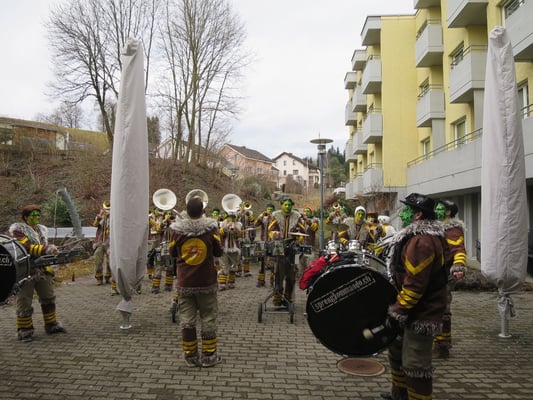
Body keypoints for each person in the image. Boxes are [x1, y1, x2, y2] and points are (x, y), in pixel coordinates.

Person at [380, 193, 447, 400]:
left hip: (422, 313)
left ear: (418, 215)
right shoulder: (416, 237)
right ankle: (399, 395)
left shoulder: (422, 242)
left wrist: (398, 311)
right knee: (397, 353)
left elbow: (415, 285)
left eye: (407, 209)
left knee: (416, 365)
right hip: (410, 310)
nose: (403, 213)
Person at [168, 196, 224, 368]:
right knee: (208, 318)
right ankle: (209, 356)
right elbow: (219, 252)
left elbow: (172, 253)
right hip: (206, 281)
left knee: (187, 320)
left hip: (185, 282)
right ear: (203, 211)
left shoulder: (177, 231)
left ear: (186, 211)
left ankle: (191, 356)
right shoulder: (211, 229)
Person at [8, 204, 67, 342]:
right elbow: (26, 247)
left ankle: (51, 325)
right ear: (25, 217)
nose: (37, 217)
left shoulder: (41, 230)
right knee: (24, 300)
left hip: (42, 269)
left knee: (48, 297)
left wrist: (52, 252)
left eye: (38, 215)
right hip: (25, 270)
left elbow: (43, 246)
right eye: (33, 215)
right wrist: (46, 249)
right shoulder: (18, 231)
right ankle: (24, 330)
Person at [433, 199, 467, 358]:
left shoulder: (452, 229)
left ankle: (442, 346)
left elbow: (459, 249)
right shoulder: (436, 227)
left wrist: (459, 266)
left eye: (440, 208)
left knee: (443, 310)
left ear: (448, 212)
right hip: (434, 275)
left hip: (443, 276)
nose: (436, 210)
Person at [268, 196, 305, 306]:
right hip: (279, 246)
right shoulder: (276, 215)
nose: (288, 207)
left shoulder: (297, 216)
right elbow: (270, 229)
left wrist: (300, 237)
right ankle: (277, 297)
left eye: (289, 205)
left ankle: (288, 298)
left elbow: (303, 230)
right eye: (285, 204)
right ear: (281, 205)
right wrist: (274, 234)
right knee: (278, 273)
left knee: (292, 274)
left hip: (294, 249)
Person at [218, 212, 243, 290]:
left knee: (233, 266)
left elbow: (240, 236)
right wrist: (226, 227)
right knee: (224, 265)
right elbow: (220, 234)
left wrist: (236, 229)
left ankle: (231, 282)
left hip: (235, 248)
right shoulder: (222, 224)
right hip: (224, 248)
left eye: (233, 217)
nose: (231, 219)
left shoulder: (238, 225)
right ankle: (222, 283)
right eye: (229, 217)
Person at [254, 203, 276, 287]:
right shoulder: (263, 217)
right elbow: (255, 224)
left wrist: (272, 217)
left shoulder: (276, 217)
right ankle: (261, 280)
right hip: (262, 241)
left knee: (273, 262)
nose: (269, 211)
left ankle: (272, 280)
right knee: (261, 262)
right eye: (268, 209)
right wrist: (261, 216)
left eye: (271, 209)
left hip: (273, 242)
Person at [92, 204, 112, 285]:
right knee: (98, 260)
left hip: (110, 242)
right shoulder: (100, 217)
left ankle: (108, 277)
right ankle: (99, 278)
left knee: (110, 261)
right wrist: (100, 215)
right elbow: (95, 225)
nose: (107, 210)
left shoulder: (114, 217)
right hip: (100, 242)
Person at [298, 205, 319, 276]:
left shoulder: (315, 220)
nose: (306, 213)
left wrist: (307, 220)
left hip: (311, 246)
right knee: (299, 263)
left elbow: (314, 228)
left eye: (308, 211)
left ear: (311, 212)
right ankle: (300, 276)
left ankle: (309, 276)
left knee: (310, 264)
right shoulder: (300, 220)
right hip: (301, 245)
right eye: (305, 211)